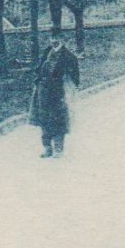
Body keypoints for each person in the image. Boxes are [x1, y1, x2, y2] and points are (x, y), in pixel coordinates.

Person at [29, 30, 81, 158]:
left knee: (58, 120)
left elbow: (75, 79)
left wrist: (68, 92)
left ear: (63, 39)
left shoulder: (69, 57)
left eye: (57, 37)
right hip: (42, 91)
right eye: (51, 37)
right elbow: (38, 69)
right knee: (44, 120)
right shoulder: (46, 52)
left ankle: (58, 149)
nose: (53, 40)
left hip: (58, 93)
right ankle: (47, 148)